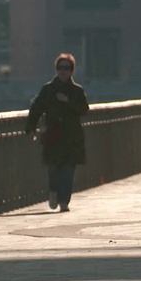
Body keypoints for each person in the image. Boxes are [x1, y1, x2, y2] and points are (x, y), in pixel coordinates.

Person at [25, 53, 89, 212]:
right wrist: (31, 127)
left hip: (71, 137)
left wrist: (67, 101)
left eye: (66, 68)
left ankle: (64, 201)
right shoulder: (48, 89)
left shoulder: (77, 91)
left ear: (71, 70)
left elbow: (84, 109)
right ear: (56, 69)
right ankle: (53, 193)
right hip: (53, 136)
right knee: (53, 169)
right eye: (60, 68)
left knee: (68, 171)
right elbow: (36, 109)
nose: (63, 71)